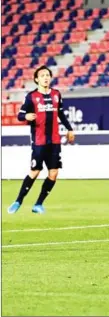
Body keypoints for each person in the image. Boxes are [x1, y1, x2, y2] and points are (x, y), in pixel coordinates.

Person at [8, 65, 75, 214]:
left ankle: (38, 204)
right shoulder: (31, 97)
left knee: (54, 173)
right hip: (39, 141)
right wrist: (26, 116)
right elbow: (20, 115)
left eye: (47, 75)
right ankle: (18, 200)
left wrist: (69, 129)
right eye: (42, 75)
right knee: (35, 171)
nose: (45, 77)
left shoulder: (56, 94)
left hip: (55, 141)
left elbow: (61, 115)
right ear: (37, 79)